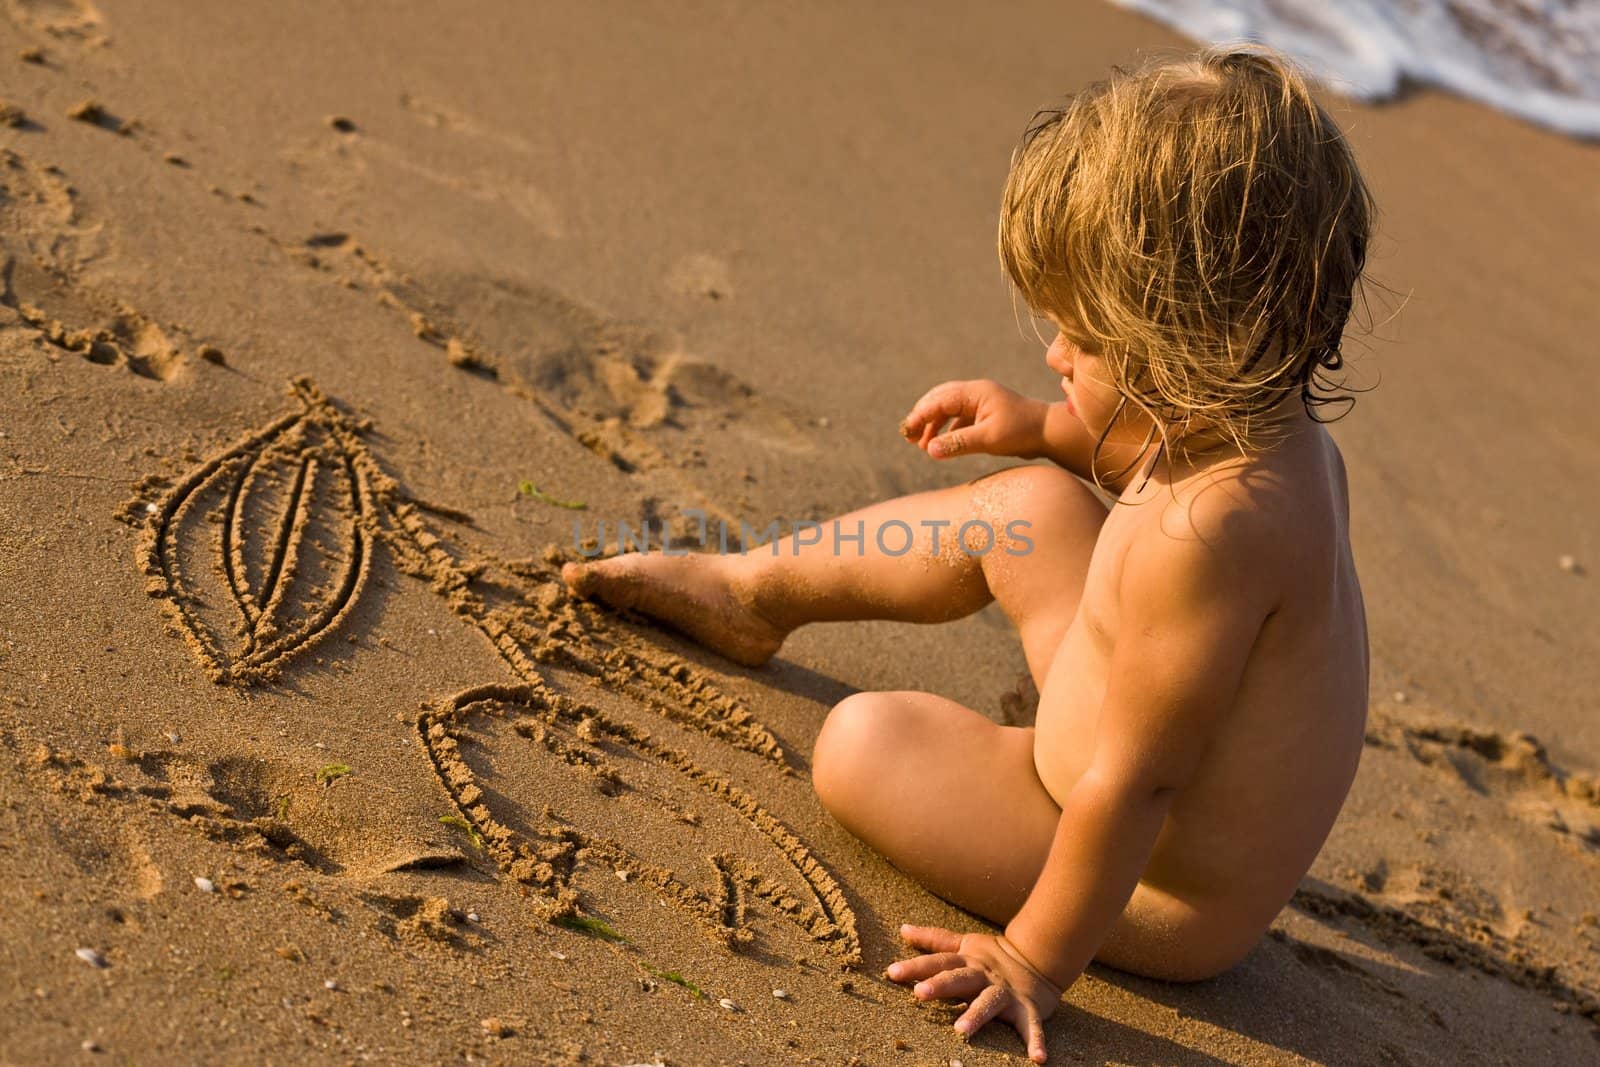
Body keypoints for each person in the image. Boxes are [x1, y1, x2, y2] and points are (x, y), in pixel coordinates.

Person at [563, 44, 1374, 1063]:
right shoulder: (1259, 427)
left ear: (1182, 352)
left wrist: (1030, 957)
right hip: (1116, 726)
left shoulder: (1215, 534)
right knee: (1028, 504)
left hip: (1156, 883)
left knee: (863, 741)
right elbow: (1141, 455)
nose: (1054, 353)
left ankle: (1036, 912)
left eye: (1082, 336)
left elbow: (1134, 784)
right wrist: (1042, 426)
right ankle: (751, 590)